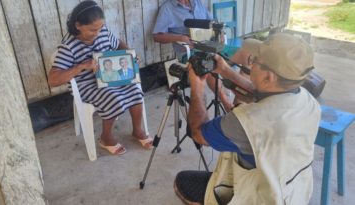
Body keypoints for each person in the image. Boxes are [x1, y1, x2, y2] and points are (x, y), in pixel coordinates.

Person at [173, 33, 321, 205]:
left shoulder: (248, 121)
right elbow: (265, 99)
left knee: (182, 181)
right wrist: (225, 71)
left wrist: (197, 88)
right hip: (295, 192)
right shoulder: (308, 101)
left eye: (254, 60)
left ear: (269, 77)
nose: (249, 64)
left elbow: (198, 133)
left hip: (258, 198)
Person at [48, 0, 153, 155]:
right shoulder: (68, 47)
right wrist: (81, 66)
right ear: (78, 25)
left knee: (135, 91)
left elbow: (118, 44)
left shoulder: (103, 32)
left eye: (99, 28)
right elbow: (53, 80)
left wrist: (130, 54)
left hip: (109, 76)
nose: (97, 33)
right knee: (113, 97)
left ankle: (137, 131)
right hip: (86, 84)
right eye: (92, 30)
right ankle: (106, 138)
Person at [153, 0, 234, 111]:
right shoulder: (167, 8)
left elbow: (212, 21)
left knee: (245, 54)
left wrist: (219, 32)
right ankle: (227, 104)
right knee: (207, 66)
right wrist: (179, 38)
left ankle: (240, 100)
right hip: (190, 51)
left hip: (210, 45)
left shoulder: (197, 3)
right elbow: (157, 36)